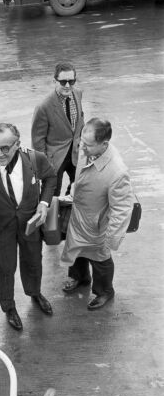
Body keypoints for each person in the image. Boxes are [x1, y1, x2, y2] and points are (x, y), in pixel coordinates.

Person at [0, 123, 56, 331]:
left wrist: (44, 204)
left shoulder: (35, 159)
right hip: (2, 226)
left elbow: (51, 177)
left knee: (33, 261)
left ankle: (34, 293)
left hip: (30, 224)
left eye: (5, 148)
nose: (0, 153)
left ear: (18, 144)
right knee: (5, 267)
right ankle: (8, 306)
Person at [61, 118, 134, 310]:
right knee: (76, 249)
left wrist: (112, 237)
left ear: (104, 144)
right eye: (81, 143)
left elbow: (122, 208)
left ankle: (105, 291)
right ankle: (80, 277)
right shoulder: (89, 149)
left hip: (97, 223)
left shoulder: (117, 172)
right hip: (79, 214)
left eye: (88, 145)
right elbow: (83, 174)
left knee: (100, 258)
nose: (82, 149)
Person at [31, 62, 84, 196]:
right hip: (54, 159)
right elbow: (37, 141)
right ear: (54, 81)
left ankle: (68, 211)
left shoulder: (78, 93)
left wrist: (84, 145)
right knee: (51, 196)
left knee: (79, 189)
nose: (67, 85)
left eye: (71, 81)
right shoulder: (43, 106)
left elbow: (80, 120)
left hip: (76, 153)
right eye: (63, 82)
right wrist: (44, 165)